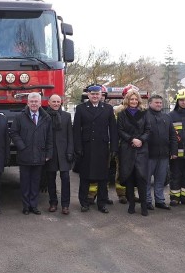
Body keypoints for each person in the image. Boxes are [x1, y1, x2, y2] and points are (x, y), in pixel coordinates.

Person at [73, 85, 117, 213]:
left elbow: (113, 130)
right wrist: (78, 147)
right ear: (88, 95)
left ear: (101, 95)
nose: (95, 96)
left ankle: (102, 203)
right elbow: (76, 130)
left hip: (102, 147)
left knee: (103, 177)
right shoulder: (81, 109)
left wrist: (114, 147)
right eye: (92, 94)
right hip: (86, 147)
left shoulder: (108, 109)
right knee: (85, 177)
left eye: (97, 94)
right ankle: (84, 203)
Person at [10, 92, 53, 215]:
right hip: (25, 155)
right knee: (25, 182)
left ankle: (34, 206)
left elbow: (50, 137)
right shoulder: (19, 117)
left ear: (40, 103)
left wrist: (48, 153)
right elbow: (13, 133)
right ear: (27, 103)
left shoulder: (46, 118)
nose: (34, 104)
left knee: (35, 183)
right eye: (31, 102)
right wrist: (21, 146)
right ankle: (26, 206)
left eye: (36, 102)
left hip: (39, 155)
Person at [116, 88, 151, 216]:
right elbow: (119, 130)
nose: (134, 101)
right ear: (127, 100)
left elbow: (148, 130)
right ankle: (131, 204)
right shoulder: (122, 114)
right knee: (129, 177)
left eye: (136, 99)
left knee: (141, 177)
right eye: (131, 99)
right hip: (127, 148)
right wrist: (132, 139)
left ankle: (143, 206)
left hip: (141, 149)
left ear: (139, 100)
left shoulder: (144, 113)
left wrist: (141, 140)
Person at [146, 94, 178, 210]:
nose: (159, 104)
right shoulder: (144, 116)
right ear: (150, 103)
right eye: (156, 102)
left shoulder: (167, 117)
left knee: (160, 180)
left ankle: (160, 201)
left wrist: (174, 151)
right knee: (147, 180)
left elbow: (173, 136)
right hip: (148, 155)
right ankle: (147, 201)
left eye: (160, 103)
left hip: (164, 155)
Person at [44, 94, 74, 215]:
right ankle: (53, 203)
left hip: (64, 153)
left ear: (60, 103)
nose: (56, 104)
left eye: (58, 101)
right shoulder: (44, 116)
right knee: (50, 179)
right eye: (54, 102)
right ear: (49, 103)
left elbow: (70, 136)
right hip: (51, 153)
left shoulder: (66, 116)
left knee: (65, 179)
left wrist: (70, 151)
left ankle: (65, 205)